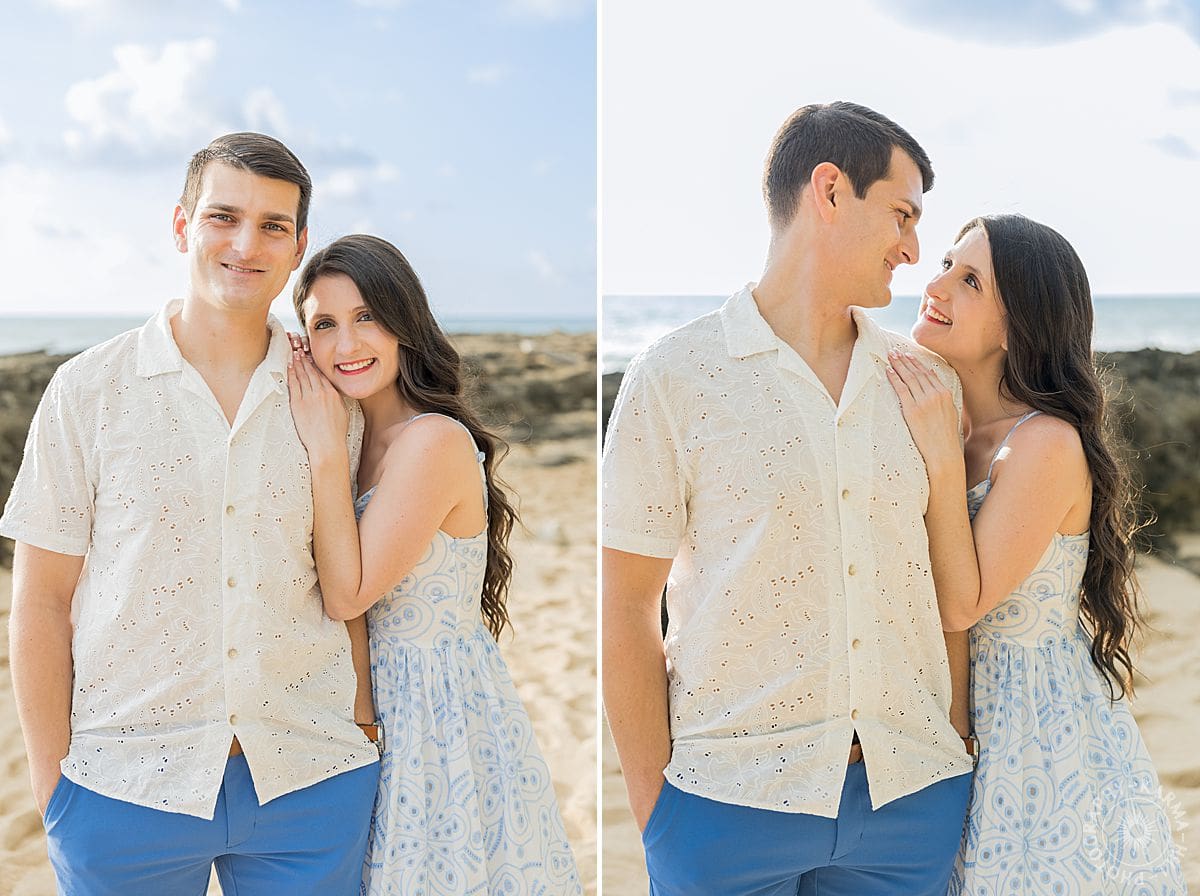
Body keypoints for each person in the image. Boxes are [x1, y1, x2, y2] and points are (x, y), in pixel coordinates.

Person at [602, 101, 977, 895]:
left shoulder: (927, 384)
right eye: (903, 214)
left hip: (910, 804)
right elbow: (626, 607)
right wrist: (658, 816)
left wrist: (952, 746)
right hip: (723, 808)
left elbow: (949, 591)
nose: (914, 250)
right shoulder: (673, 377)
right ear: (831, 190)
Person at [0, 133, 381, 895]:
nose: (246, 244)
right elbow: (40, 601)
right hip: (122, 788)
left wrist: (364, 729)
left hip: (311, 779)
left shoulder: (335, 399)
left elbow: (352, 586)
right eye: (223, 217)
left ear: (298, 245)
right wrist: (54, 790)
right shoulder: (88, 390)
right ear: (182, 226)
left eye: (273, 226)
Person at [886, 214, 1187, 894]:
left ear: (1017, 326)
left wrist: (939, 455)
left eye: (971, 281)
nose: (937, 286)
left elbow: (961, 603)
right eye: (946, 264)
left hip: (1031, 728)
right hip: (937, 713)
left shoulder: (1044, 443)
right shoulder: (946, 423)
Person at [285, 233, 583, 895]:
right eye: (324, 325)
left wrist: (324, 453)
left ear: (403, 322)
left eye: (366, 316)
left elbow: (347, 594)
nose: (346, 343)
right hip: (356, 704)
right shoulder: (355, 435)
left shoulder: (433, 441)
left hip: (433, 710)